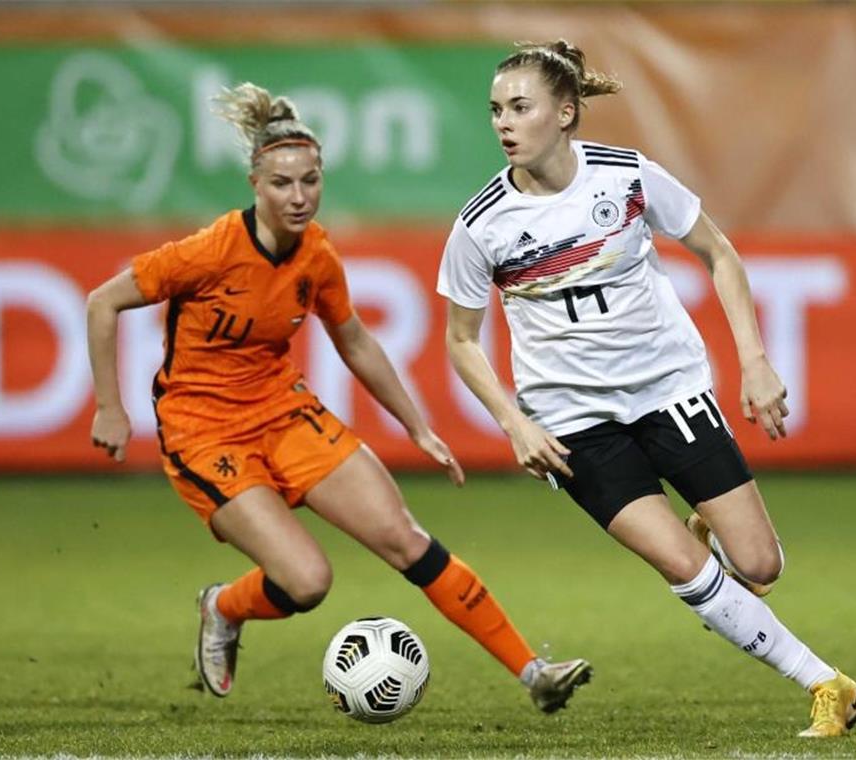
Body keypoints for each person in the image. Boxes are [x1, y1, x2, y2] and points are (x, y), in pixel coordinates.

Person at [86, 81, 591, 712]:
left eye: (310, 181)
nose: (299, 197)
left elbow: (353, 340)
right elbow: (102, 301)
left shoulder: (316, 254)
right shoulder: (207, 252)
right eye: (281, 184)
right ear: (254, 183)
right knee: (307, 582)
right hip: (203, 431)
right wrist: (110, 405)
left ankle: (533, 674)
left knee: (407, 540)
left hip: (284, 412)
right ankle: (222, 606)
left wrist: (416, 426)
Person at [438, 41, 856, 738]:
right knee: (681, 564)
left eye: (520, 107)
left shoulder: (625, 177)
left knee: (759, 564)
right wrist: (514, 423)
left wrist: (755, 361)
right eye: (496, 110)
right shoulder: (481, 223)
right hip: (572, 420)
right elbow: (460, 339)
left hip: (668, 388)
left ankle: (718, 545)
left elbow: (718, 253)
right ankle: (828, 684)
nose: (504, 123)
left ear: (566, 112)